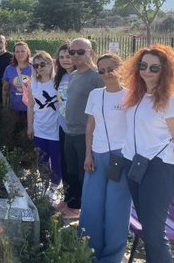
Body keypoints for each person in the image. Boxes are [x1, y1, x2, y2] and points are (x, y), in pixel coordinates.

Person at [120, 45, 174, 263]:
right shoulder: (136, 96)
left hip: (158, 169)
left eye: (154, 68)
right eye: (143, 65)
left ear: (165, 71)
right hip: (134, 165)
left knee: (154, 233)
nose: (147, 71)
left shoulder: (171, 101)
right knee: (148, 227)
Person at [80, 54, 131, 263]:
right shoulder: (95, 94)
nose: (107, 74)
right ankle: (88, 252)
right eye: (101, 70)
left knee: (116, 210)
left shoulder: (131, 96)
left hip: (121, 158)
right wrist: (88, 154)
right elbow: (90, 126)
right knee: (91, 206)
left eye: (110, 69)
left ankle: (111, 258)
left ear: (120, 68)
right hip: (97, 156)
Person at [62, 38, 105, 219]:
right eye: (72, 52)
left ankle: (87, 214)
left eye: (81, 52)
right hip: (69, 132)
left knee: (84, 176)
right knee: (71, 172)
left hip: (85, 135)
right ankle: (73, 206)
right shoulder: (74, 75)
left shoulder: (97, 77)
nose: (75, 55)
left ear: (91, 53)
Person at [25, 51, 62, 191]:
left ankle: (55, 187)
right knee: (42, 160)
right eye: (35, 65)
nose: (39, 68)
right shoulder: (32, 83)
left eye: (42, 64)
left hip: (56, 129)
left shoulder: (58, 82)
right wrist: (30, 126)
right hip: (39, 128)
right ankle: (45, 187)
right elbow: (30, 106)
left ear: (50, 64)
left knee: (57, 161)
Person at [53, 43, 74, 211]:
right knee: (65, 166)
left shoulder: (79, 76)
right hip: (63, 126)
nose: (65, 60)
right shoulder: (61, 77)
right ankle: (67, 199)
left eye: (68, 56)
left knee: (74, 168)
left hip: (76, 129)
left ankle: (75, 205)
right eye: (62, 57)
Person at [1, 41, 33, 146]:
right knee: (13, 139)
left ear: (28, 52)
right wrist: (4, 107)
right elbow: (5, 89)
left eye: (23, 51)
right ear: (14, 53)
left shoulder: (34, 69)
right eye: (17, 51)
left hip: (30, 111)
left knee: (29, 138)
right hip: (14, 109)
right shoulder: (9, 69)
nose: (20, 54)